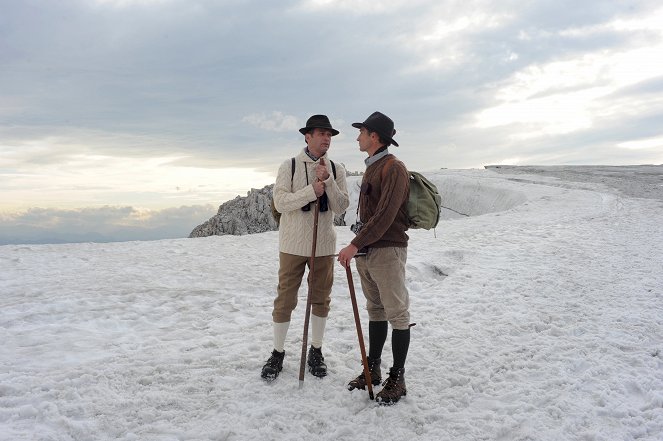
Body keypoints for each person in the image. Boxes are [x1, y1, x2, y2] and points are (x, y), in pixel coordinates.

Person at [261, 114, 350, 381]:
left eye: (329, 134)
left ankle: (316, 351)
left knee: (321, 298)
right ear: (307, 137)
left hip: (323, 244)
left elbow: (342, 206)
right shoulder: (288, 166)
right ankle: (278, 352)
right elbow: (281, 202)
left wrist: (329, 182)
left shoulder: (336, 168)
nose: (327, 138)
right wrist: (312, 191)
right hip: (292, 244)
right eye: (321, 133)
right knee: (285, 298)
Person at [337, 111, 411, 404]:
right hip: (369, 251)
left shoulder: (393, 168)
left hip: (387, 251)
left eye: (362, 132)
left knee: (397, 314)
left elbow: (385, 216)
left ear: (374, 137)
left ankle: (398, 378)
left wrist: (354, 245)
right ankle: (374, 369)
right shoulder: (373, 166)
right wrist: (360, 245)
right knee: (376, 311)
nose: (358, 137)